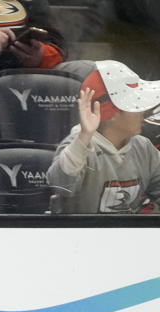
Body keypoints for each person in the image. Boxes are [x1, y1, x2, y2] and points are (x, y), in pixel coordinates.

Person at [47, 60, 160, 215]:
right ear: (111, 113)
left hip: (130, 235)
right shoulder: (78, 144)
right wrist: (84, 138)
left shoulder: (143, 147)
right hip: (81, 236)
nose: (143, 112)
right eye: (135, 105)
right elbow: (61, 185)